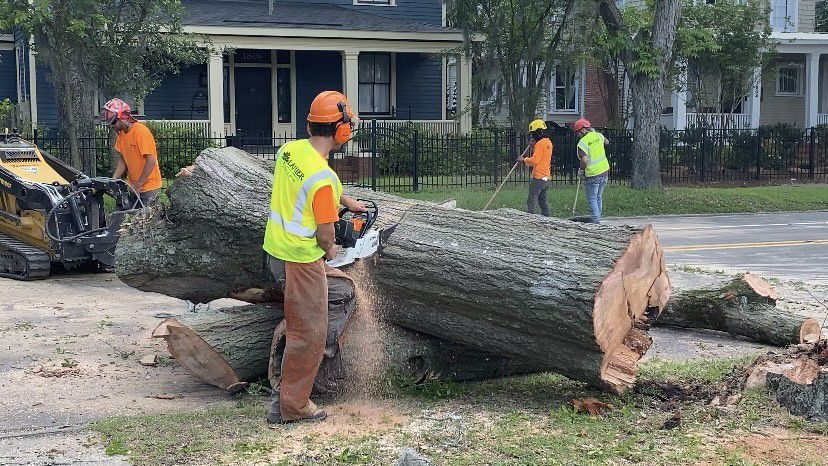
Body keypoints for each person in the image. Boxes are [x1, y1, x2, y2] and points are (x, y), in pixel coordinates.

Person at [262, 90, 366, 425]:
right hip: (302, 259)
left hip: (276, 251)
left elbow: (312, 187)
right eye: (348, 124)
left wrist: (345, 200)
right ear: (340, 130)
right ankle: (292, 406)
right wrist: (334, 249)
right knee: (309, 333)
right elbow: (325, 234)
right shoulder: (323, 179)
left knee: (301, 325)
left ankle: (286, 397)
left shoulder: (290, 151)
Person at [100, 98, 162, 207]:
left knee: (146, 222)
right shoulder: (121, 134)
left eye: (113, 122)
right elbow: (123, 159)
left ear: (123, 118)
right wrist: (114, 179)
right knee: (128, 219)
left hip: (149, 188)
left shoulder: (141, 132)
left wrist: (139, 184)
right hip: (133, 185)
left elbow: (151, 161)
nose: (112, 126)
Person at [572, 118, 610, 223]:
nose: (577, 135)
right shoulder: (598, 135)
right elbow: (607, 142)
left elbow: (584, 160)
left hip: (593, 174)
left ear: (583, 130)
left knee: (592, 198)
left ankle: (596, 221)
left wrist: (581, 170)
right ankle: (597, 218)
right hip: (604, 171)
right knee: (598, 197)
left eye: (578, 132)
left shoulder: (582, 143)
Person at [518, 119, 553, 216]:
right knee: (542, 200)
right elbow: (542, 156)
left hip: (538, 177)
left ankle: (530, 218)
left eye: (533, 133)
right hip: (547, 177)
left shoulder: (540, 144)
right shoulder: (548, 142)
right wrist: (533, 147)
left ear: (538, 132)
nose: (532, 136)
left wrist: (523, 159)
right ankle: (547, 217)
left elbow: (534, 160)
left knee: (531, 199)